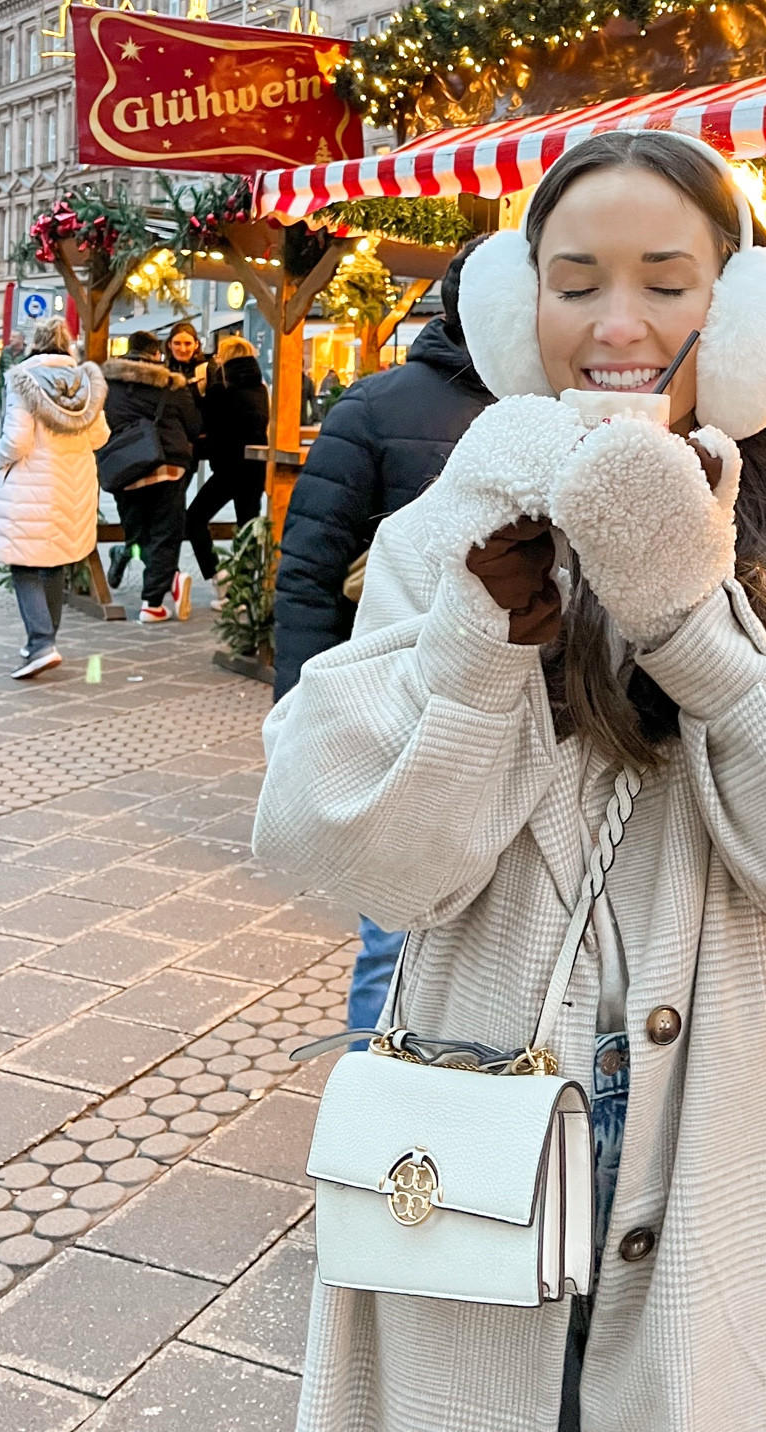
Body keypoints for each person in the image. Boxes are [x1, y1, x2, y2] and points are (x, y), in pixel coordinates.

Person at [255, 131, 766, 1432]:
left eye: (668, 279)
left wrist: (699, 633)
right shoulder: (448, 529)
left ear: (742, 307)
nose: (618, 324)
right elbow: (355, 857)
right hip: (475, 1103)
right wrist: (476, 645)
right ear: (515, 308)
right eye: (576, 282)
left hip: (722, 1134)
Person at [272, 238, 493, 1036]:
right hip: (407, 709)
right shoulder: (376, 406)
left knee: (409, 933)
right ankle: (381, 1116)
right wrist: (302, 716)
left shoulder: (562, 409)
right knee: (394, 931)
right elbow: (309, 571)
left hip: (495, 722)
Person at [0, 317, 109, 678]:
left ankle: (40, 643)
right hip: (76, 483)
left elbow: (17, 441)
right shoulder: (85, 382)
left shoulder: (22, 378)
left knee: (22, 563)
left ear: (34, 344)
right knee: (54, 561)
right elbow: (100, 436)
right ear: (68, 345)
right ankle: (44, 639)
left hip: (32, 483)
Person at [99, 330, 204, 623]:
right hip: (166, 466)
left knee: (137, 533)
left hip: (125, 468)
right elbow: (194, 425)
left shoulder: (108, 385)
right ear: (157, 353)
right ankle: (153, 602)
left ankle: (165, 584)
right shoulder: (172, 384)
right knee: (164, 533)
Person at [185, 337, 269, 588]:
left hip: (229, 466)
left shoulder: (220, 389)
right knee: (248, 524)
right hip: (256, 464)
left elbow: (206, 425)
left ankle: (217, 575)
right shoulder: (260, 388)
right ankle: (244, 587)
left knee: (194, 518)